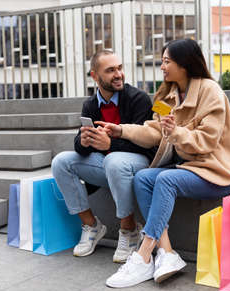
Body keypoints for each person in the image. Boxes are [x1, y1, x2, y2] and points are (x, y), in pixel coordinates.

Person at [97, 39, 230, 288]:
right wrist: (120, 131)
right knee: (143, 177)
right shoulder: (166, 94)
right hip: (187, 169)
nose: (162, 66)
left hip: (216, 172)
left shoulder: (211, 91)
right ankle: (166, 252)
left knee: (165, 179)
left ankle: (143, 255)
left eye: (167, 61)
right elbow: (154, 131)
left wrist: (176, 132)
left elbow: (206, 141)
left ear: (184, 65)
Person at [51, 50, 155, 263]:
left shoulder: (139, 99)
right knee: (61, 161)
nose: (118, 74)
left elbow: (148, 145)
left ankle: (129, 230)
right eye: (110, 70)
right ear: (95, 76)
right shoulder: (90, 105)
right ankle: (91, 225)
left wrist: (112, 144)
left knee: (113, 160)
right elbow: (80, 146)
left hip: (139, 164)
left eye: (119, 68)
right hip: (107, 165)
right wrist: (84, 141)